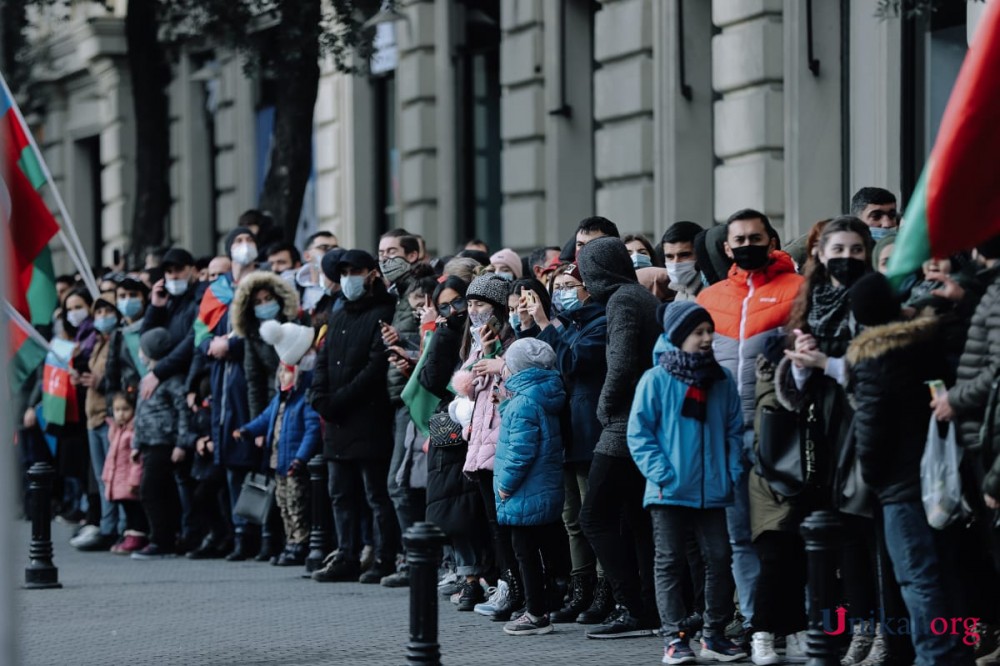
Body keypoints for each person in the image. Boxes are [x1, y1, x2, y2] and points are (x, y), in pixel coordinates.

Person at [753, 216, 872, 664]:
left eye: (856, 250)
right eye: (837, 250)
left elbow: (879, 374)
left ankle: (870, 630)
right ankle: (833, 630)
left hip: (859, 434)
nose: (846, 258)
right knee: (823, 541)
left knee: (861, 538)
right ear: (820, 255)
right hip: (815, 438)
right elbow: (791, 390)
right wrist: (802, 364)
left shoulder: (872, 299)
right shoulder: (809, 302)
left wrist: (827, 364)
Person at [847, 273, 970, 666]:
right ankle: (954, 652)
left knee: (916, 577)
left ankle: (934, 656)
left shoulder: (873, 359)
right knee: (946, 574)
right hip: (941, 474)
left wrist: (872, 476)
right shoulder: (925, 344)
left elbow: (870, 432)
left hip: (899, 486)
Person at [696, 208, 803, 645]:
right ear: (726, 248)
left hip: (780, 431)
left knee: (782, 532)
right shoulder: (710, 298)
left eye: (755, 238)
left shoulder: (798, 289)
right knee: (739, 535)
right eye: (738, 240)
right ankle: (756, 621)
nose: (746, 246)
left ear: (771, 240)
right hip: (725, 435)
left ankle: (792, 620)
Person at [628, 301, 746, 664]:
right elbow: (640, 434)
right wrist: (663, 474)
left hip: (713, 489)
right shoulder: (656, 379)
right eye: (699, 332)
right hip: (669, 491)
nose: (708, 338)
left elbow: (733, 430)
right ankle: (674, 639)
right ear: (679, 337)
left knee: (720, 559)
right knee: (669, 562)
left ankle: (714, 635)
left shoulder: (721, 380)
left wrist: (730, 471)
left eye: (710, 330)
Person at [576, 235, 661, 639]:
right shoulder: (639, 296)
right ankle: (649, 604)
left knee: (593, 516)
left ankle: (632, 606)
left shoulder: (622, 301)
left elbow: (623, 361)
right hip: (642, 422)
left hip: (624, 425)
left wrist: (605, 406)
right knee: (635, 519)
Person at [516, 263, 609, 623]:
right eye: (558, 287)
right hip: (564, 434)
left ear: (587, 287)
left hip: (589, 433)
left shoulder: (596, 322)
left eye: (570, 285)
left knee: (593, 515)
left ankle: (604, 589)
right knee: (571, 518)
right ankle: (579, 586)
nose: (562, 293)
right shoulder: (566, 324)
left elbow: (568, 360)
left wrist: (544, 323)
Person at [308, 249, 398, 583]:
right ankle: (345, 554)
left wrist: (338, 401)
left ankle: (383, 556)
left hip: (367, 417)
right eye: (344, 271)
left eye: (355, 271)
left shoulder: (383, 310)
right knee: (340, 493)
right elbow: (324, 357)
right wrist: (319, 396)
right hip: (336, 421)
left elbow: (376, 367)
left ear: (372, 273)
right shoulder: (339, 311)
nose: (348, 278)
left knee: (376, 494)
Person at [450, 273, 518, 612]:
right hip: (479, 439)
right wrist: (481, 356)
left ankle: (514, 585)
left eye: (481, 304)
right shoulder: (477, 340)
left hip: (502, 439)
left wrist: (498, 361)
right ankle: (506, 583)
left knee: (506, 519)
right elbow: (466, 388)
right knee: (493, 519)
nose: (474, 311)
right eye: (471, 304)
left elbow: (511, 390)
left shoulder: (512, 339)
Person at [493, 338, 567, 636]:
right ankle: (548, 603)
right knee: (547, 549)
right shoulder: (543, 395)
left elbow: (520, 451)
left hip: (523, 491)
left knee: (525, 553)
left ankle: (535, 613)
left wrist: (505, 487)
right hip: (544, 489)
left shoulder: (523, 403)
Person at [236, 321, 319, 567]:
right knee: (283, 505)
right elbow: (264, 419)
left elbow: (312, 431)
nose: (283, 376)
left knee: (297, 505)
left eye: (288, 371)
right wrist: (247, 431)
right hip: (278, 463)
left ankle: (300, 543)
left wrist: (301, 458)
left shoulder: (303, 400)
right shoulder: (280, 400)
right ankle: (290, 541)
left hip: (293, 463)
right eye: (281, 371)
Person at [130, 328, 190, 560]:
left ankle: (161, 540)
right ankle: (166, 537)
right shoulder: (148, 378)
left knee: (152, 491)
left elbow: (182, 412)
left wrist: (181, 444)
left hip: (164, 444)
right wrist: (136, 443)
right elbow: (141, 412)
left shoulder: (171, 380)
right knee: (160, 491)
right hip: (148, 444)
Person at [75, 295, 124, 551]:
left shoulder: (118, 340)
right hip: (92, 416)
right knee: (102, 477)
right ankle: (107, 526)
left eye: (107, 311)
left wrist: (100, 383)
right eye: (99, 312)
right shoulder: (97, 343)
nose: (102, 317)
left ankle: (120, 527)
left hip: (109, 415)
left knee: (117, 476)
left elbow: (118, 375)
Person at [139, 248, 198, 404]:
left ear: (192, 270)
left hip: (186, 380)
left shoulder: (198, 300)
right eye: (169, 272)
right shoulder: (168, 302)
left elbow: (192, 341)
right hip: (168, 377)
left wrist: (159, 372)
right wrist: (155, 307)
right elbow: (146, 342)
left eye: (179, 270)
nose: (174, 276)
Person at [103, 392, 148, 555]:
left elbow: (137, 461)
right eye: (117, 410)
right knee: (127, 508)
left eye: (125, 409)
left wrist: (134, 481)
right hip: (119, 480)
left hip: (129, 481)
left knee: (134, 509)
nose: (121, 414)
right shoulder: (117, 430)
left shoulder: (132, 433)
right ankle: (129, 534)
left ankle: (137, 535)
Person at [661, 222, 706, 302]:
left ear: (700, 254)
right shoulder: (680, 294)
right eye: (669, 256)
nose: (676, 263)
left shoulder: (711, 293)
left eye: (684, 255)